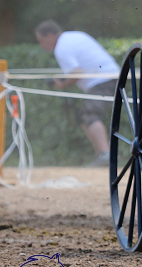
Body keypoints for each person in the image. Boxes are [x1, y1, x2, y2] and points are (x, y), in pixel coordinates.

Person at [34, 20, 116, 166]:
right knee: (83, 116)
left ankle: (105, 155)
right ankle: (102, 155)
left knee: (90, 115)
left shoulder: (61, 48)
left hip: (102, 80)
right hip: (110, 76)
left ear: (50, 36)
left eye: (41, 40)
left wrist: (62, 84)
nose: (41, 45)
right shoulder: (75, 36)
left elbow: (77, 73)